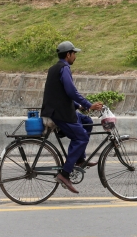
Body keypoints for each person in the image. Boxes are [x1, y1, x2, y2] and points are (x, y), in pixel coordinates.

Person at [41, 40, 104, 194]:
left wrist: (79, 106)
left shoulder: (54, 68)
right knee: (81, 137)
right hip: (59, 114)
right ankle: (65, 174)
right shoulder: (64, 69)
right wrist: (89, 105)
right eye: (74, 53)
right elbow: (71, 92)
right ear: (68, 54)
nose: (75, 56)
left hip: (59, 110)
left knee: (87, 121)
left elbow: (60, 94)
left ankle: (80, 159)